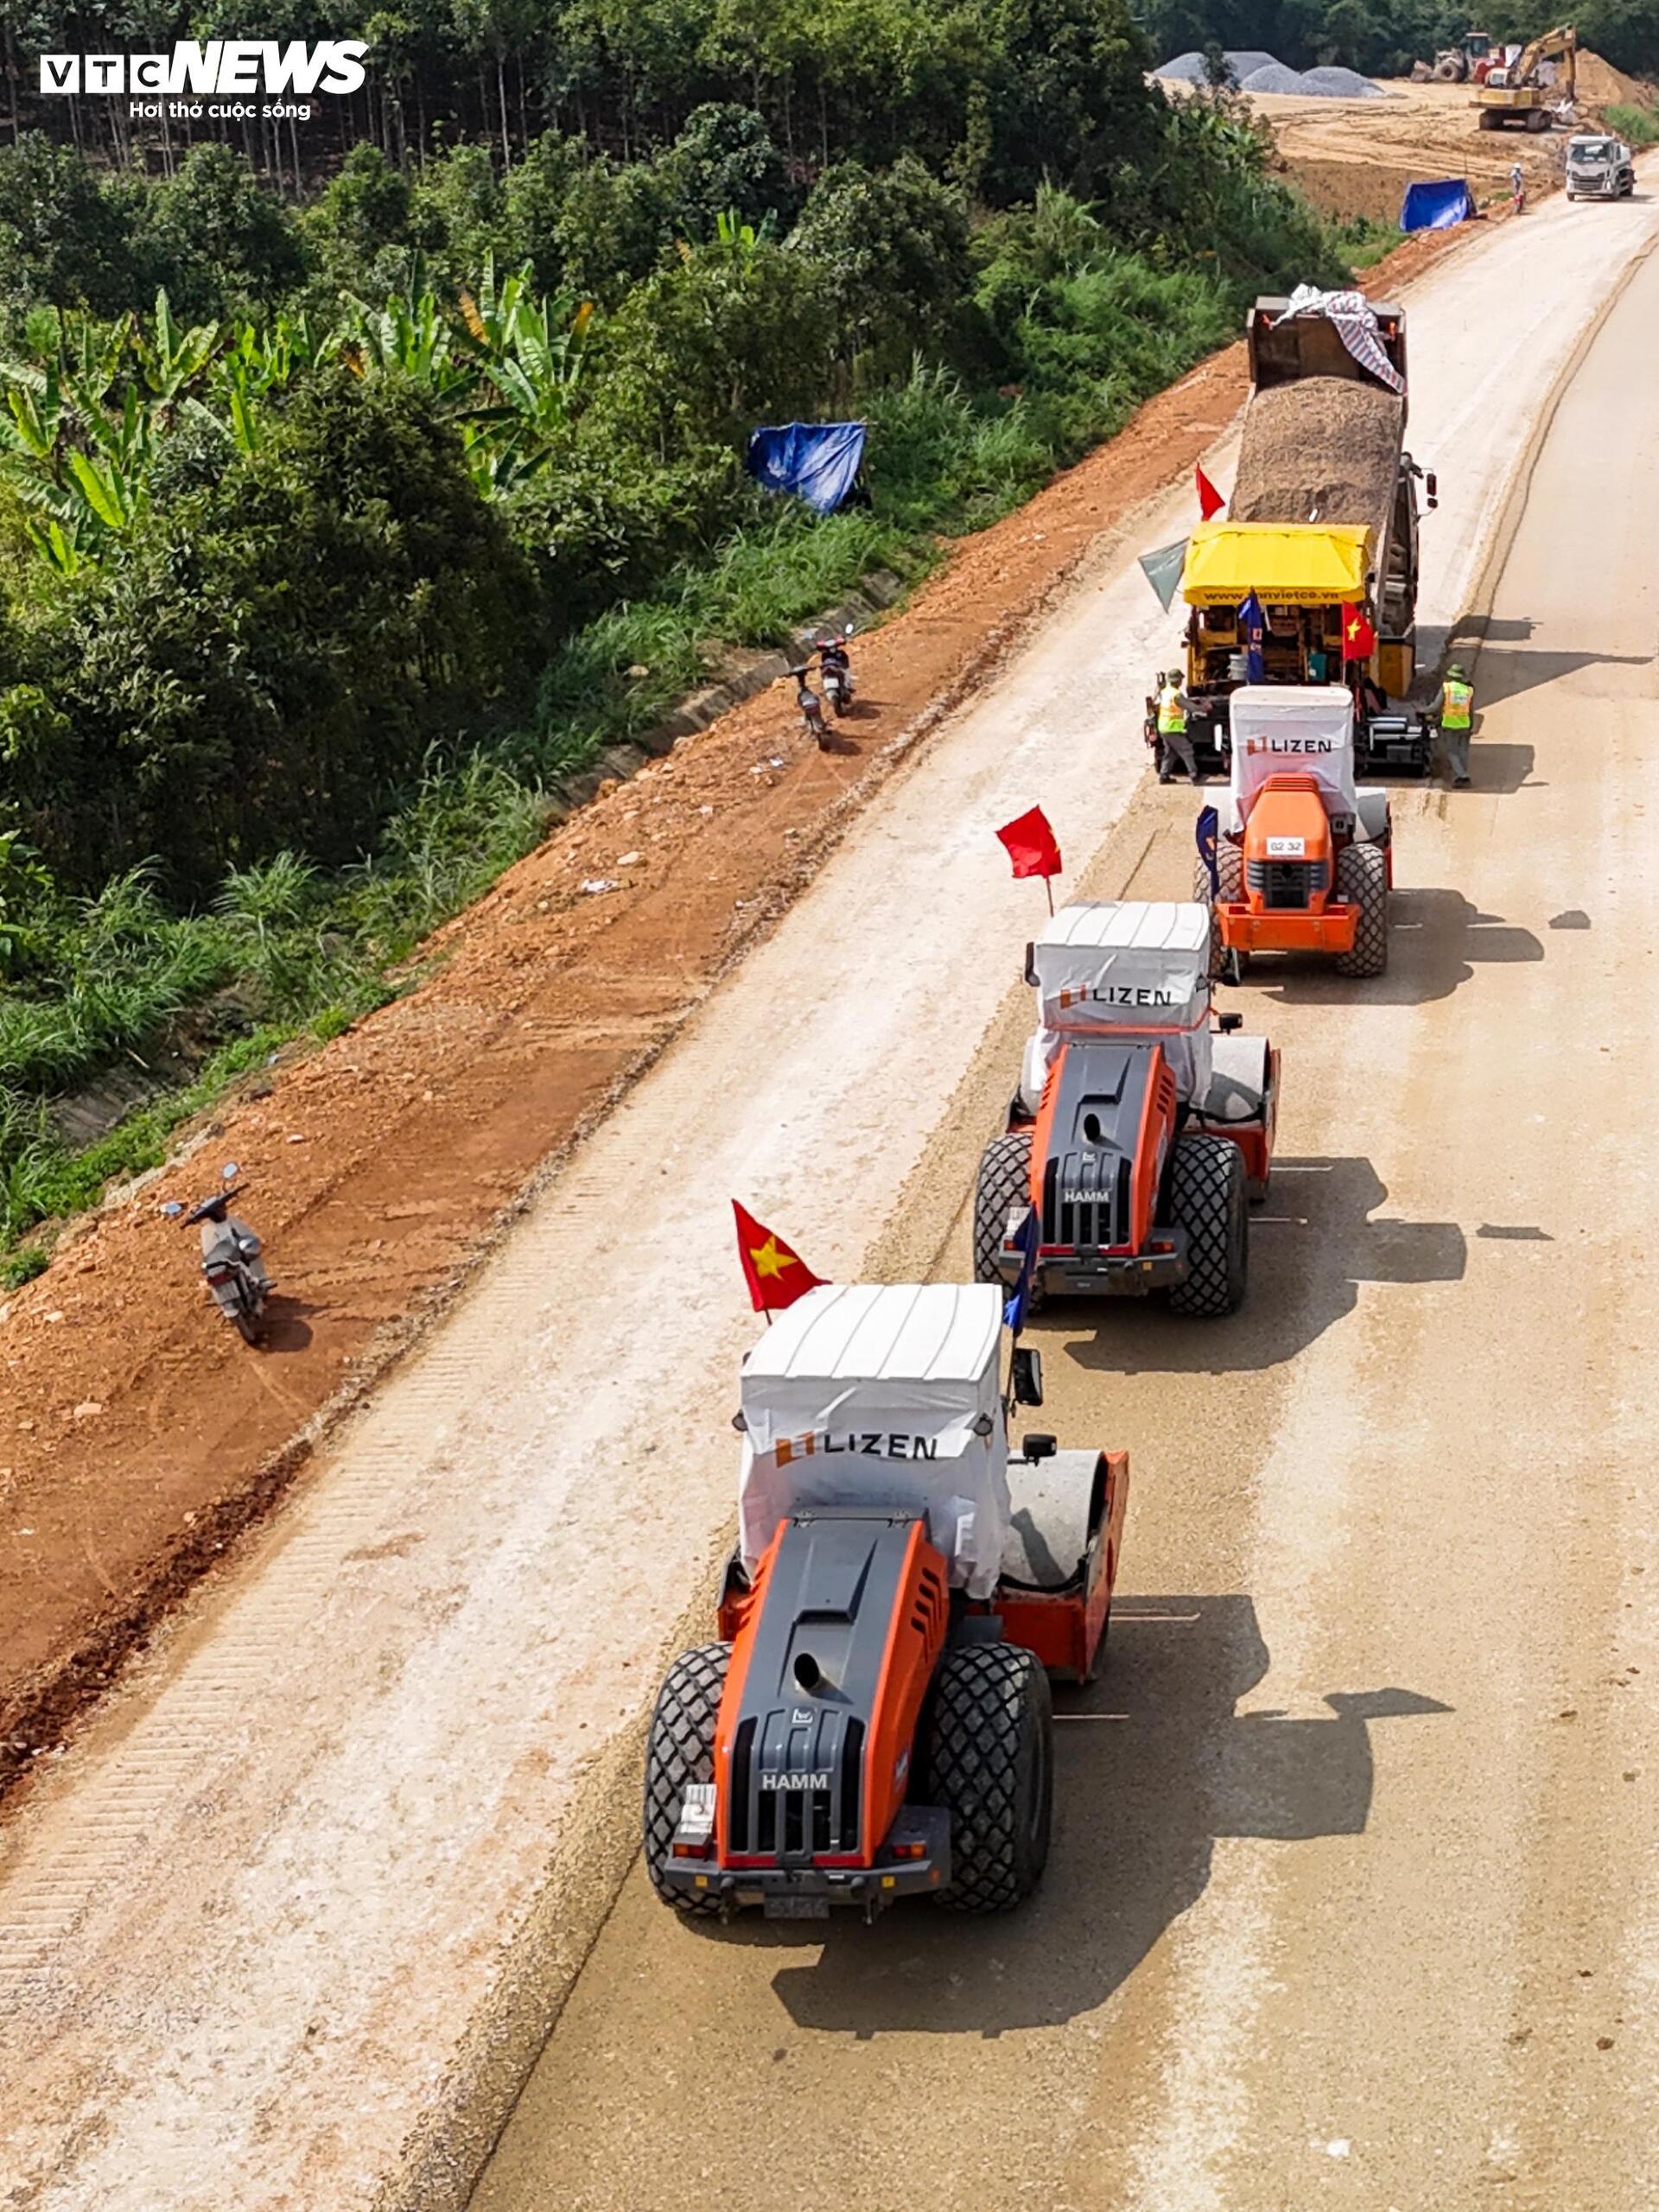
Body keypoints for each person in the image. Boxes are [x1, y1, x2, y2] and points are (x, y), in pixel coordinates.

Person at [1155, 670, 1202, 784]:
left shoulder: (1166, 691)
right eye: (1181, 679)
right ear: (1177, 681)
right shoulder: (1176, 695)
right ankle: (1194, 775)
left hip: (1164, 727)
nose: (1182, 682)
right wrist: (1204, 707)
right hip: (1173, 729)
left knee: (1171, 753)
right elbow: (1191, 708)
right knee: (1187, 750)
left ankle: (1164, 776)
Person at [1439, 663, 1475, 785]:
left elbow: (1436, 706)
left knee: (1452, 752)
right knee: (1463, 751)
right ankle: (1463, 776)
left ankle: (1462, 775)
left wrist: (1423, 711)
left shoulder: (1447, 688)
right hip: (1465, 724)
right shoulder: (1468, 690)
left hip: (1450, 725)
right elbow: (1470, 710)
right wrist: (1471, 726)